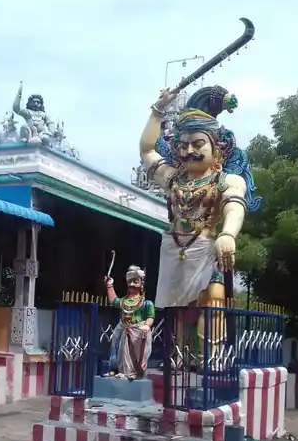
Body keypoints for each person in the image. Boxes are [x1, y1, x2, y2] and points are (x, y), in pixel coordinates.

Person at [139, 84, 260, 362]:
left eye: (197, 144)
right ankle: (177, 359)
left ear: (216, 151)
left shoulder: (226, 180)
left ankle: (211, 358)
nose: (188, 151)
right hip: (174, 249)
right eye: (182, 145)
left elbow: (234, 205)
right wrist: (158, 112)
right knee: (177, 310)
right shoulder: (172, 178)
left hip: (206, 248)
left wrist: (228, 233)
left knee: (213, 300)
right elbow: (147, 150)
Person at [104, 265, 154, 380]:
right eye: (130, 281)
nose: (132, 284)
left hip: (138, 331)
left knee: (135, 353)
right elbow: (113, 301)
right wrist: (110, 285)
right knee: (118, 350)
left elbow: (150, 317)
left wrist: (146, 325)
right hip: (123, 329)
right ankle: (117, 369)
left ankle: (133, 371)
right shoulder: (124, 301)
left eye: (135, 281)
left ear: (141, 284)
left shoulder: (147, 304)